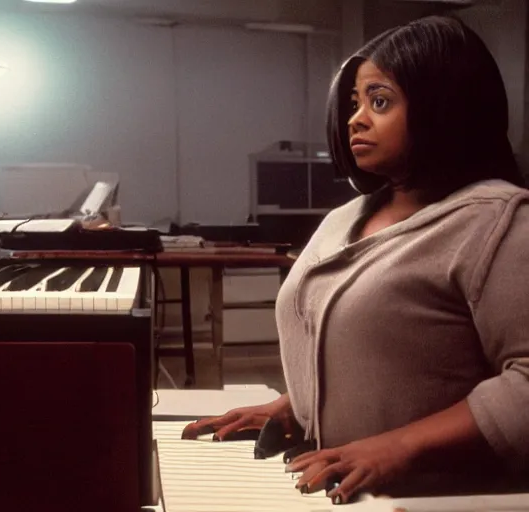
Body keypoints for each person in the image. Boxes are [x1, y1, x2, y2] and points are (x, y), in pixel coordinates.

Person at [182, 15, 529, 504]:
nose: (356, 119)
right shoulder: (346, 216)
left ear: (445, 108)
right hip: (342, 488)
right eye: (355, 103)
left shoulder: (501, 221)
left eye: (379, 101)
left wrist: (397, 448)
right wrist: (296, 406)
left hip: (441, 500)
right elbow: (382, 355)